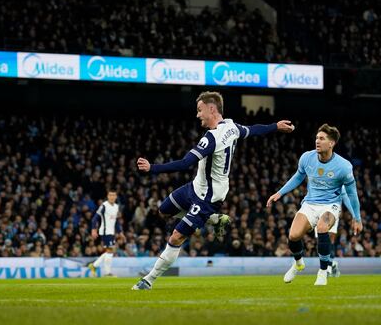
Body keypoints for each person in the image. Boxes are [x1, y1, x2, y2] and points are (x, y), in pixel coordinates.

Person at [132, 91, 294, 290]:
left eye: (200, 110)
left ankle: (148, 280)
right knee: (163, 211)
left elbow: (185, 163)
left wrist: (152, 168)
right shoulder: (232, 127)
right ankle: (214, 220)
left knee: (176, 237)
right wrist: (275, 126)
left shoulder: (212, 137)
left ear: (211, 109)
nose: (197, 115)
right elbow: (252, 130)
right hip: (194, 187)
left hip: (207, 198)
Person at [267, 124, 362, 286]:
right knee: (293, 236)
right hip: (310, 204)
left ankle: (323, 272)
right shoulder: (307, 157)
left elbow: (352, 193)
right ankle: (298, 263)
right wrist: (280, 193)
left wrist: (357, 218)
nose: (317, 141)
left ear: (331, 143)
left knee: (323, 228)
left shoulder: (344, 166)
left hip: (330, 205)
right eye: (317, 138)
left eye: (322, 138)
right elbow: (298, 177)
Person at [88, 191, 125, 277]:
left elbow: (116, 222)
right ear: (107, 196)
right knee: (110, 251)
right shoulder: (104, 206)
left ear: (116, 196)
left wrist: (120, 232)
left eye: (113, 195)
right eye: (110, 195)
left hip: (111, 232)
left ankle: (93, 266)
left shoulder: (116, 207)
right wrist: (93, 229)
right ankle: (107, 273)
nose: (112, 197)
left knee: (110, 251)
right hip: (105, 231)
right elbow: (95, 218)